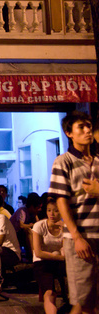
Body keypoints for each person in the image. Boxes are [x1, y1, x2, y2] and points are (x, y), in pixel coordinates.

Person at [48, 111, 99, 313]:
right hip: (81, 237)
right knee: (83, 300)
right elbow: (61, 201)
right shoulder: (64, 161)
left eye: (89, 126)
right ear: (69, 133)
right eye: (81, 127)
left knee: (93, 302)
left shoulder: (97, 160)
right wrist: (76, 236)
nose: (87, 130)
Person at [32, 198, 66, 314]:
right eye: (49, 210)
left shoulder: (65, 227)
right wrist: (61, 257)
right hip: (42, 262)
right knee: (50, 293)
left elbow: (66, 252)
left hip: (60, 262)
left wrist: (66, 231)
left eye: (56, 211)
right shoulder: (39, 226)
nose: (52, 214)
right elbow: (38, 252)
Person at [10, 192, 42, 261]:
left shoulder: (32, 213)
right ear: (32, 206)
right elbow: (21, 225)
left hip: (20, 234)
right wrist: (31, 225)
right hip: (14, 234)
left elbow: (38, 224)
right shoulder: (22, 211)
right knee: (28, 231)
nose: (39, 210)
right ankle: (32, 255)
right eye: (37, 208)